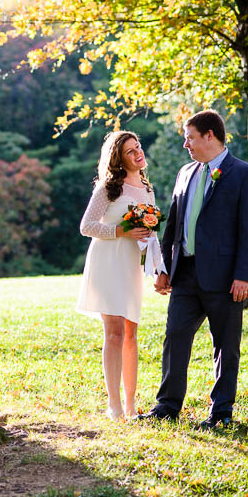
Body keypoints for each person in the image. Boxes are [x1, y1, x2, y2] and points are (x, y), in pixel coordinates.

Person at [139, 109, 248, 429]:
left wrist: (244, 276)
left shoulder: (244, 174)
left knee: (225, 346)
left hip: (225, 279)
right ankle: (166, 406)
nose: (185, 144)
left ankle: (221, 412)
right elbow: (174, 226)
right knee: (174, 337)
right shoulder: (185, 173)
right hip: (185, 274)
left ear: (210, 135)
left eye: (190, 137)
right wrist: (163, 268)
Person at [76, 130, 154, 420]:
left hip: (132, 263)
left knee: (131, 333)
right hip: (107, 261)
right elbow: (87, 226)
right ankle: (114, 404)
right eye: (131, 151)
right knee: (114, 332)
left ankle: (131, 404)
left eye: (139, 147)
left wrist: (153, 260)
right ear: (119, 159)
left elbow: (148, 230)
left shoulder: (147, 187)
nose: (138, 153)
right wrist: (121, 231)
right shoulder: (109, 188)